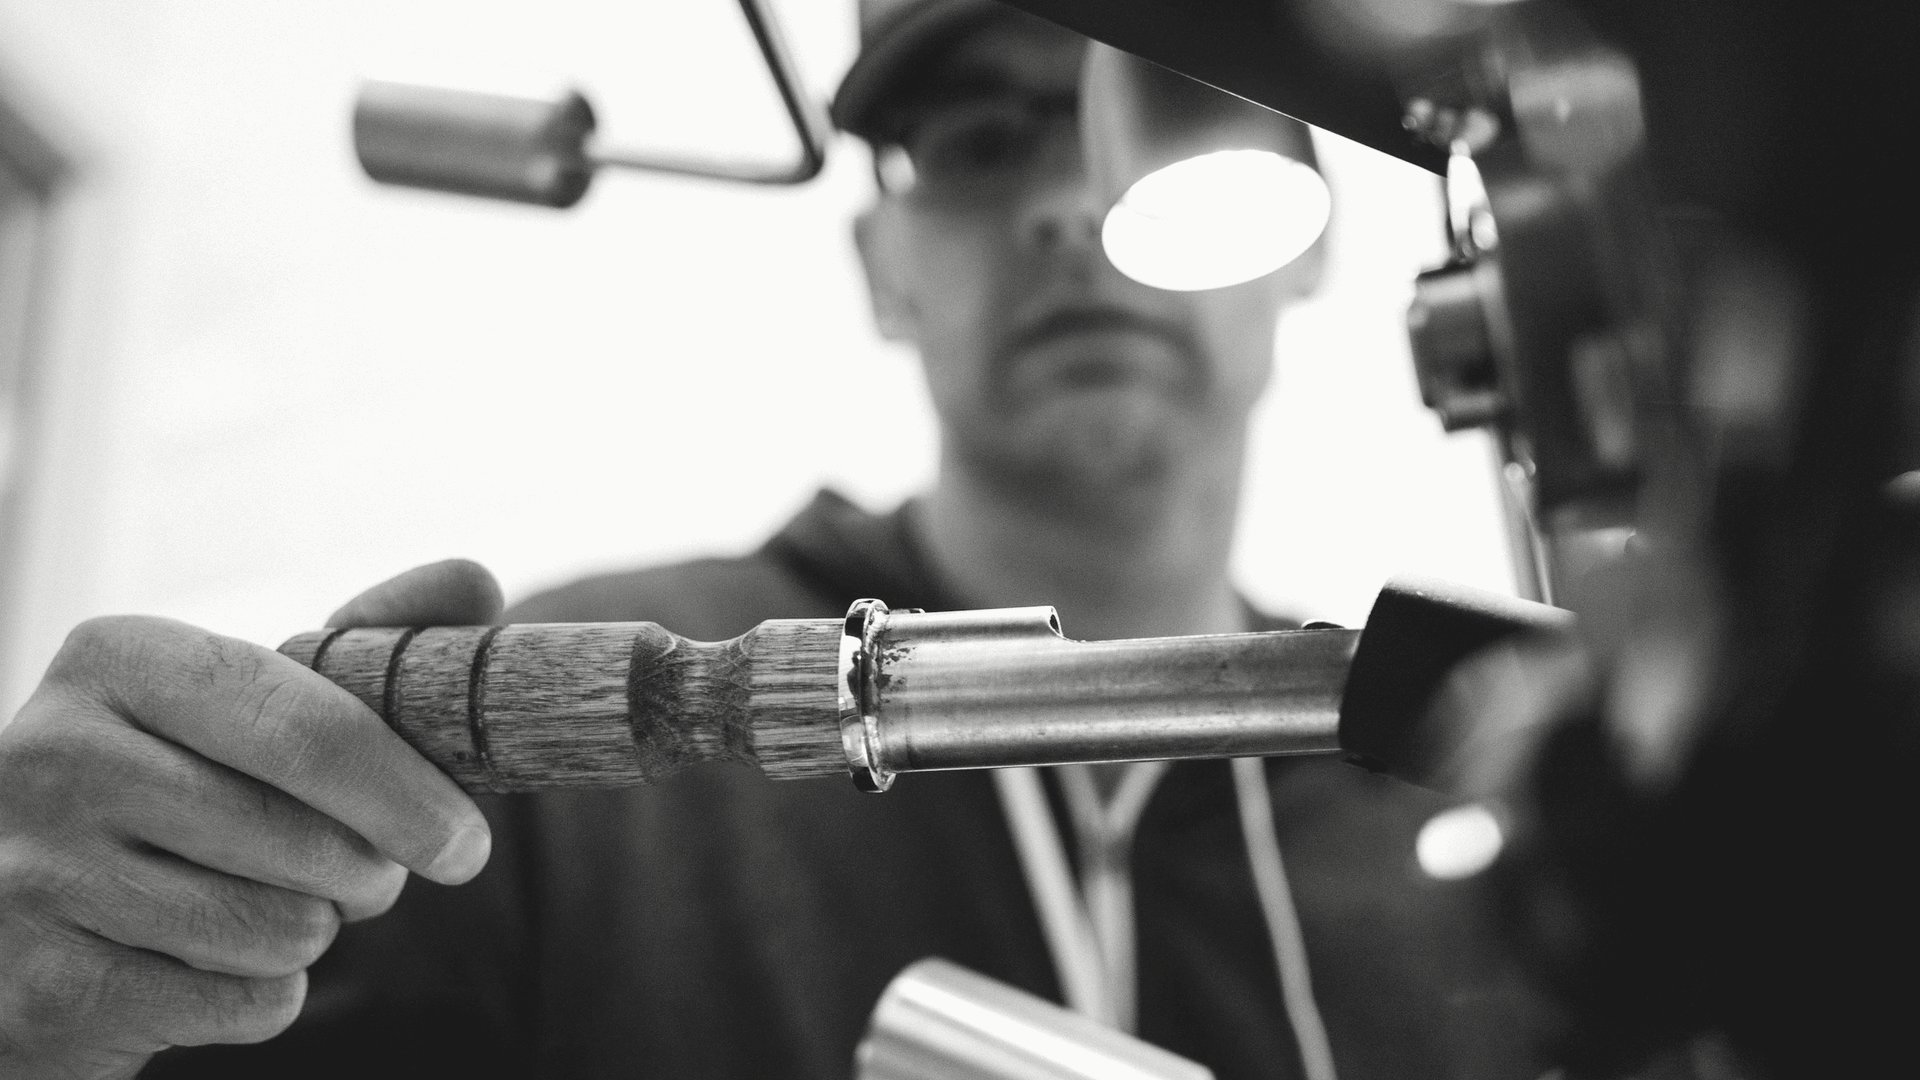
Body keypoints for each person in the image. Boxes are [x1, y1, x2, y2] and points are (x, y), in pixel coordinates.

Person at [0, 3, 1558, 1078]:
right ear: (883, 266)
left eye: (1169, 127)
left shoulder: (1489, 825)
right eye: (980, 139)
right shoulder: (552, 758)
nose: (1075, 208)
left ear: (1314, 239)